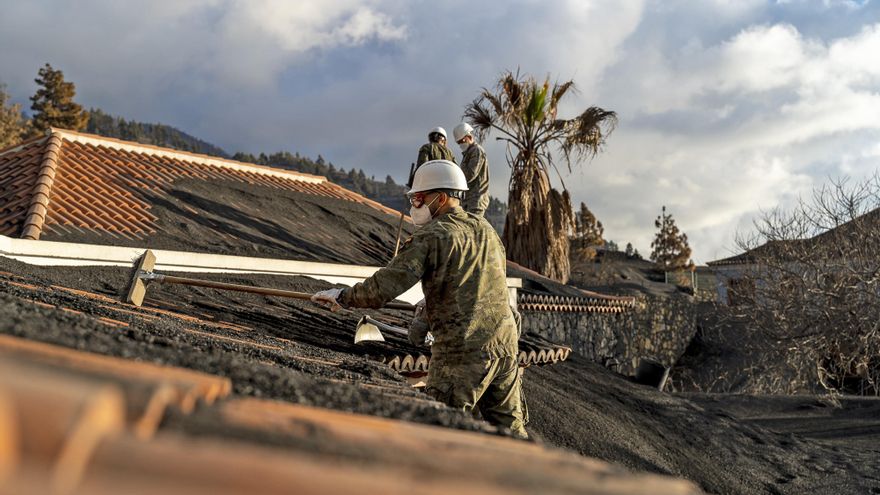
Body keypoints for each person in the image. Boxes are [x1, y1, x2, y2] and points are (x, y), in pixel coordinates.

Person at [311, 160, 528, 439]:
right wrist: (430, 309)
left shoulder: (434, 235)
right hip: (505, 346)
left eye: (419, 198)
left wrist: (343, 296)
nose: (415, 205)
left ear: (442, 197)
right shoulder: (486, 230)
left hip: (463, 354)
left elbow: (384, 287)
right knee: (511, 438)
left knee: (440, 434)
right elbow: (475, 287)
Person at [452, 123, 489, 217]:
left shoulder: (477, 151)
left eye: (462, 141)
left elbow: (470, 175)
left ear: (468, 136)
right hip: (469, 200)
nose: (461, 144)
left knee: (472, 229)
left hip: (476, 200)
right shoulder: (468, 153)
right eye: (459, 142)